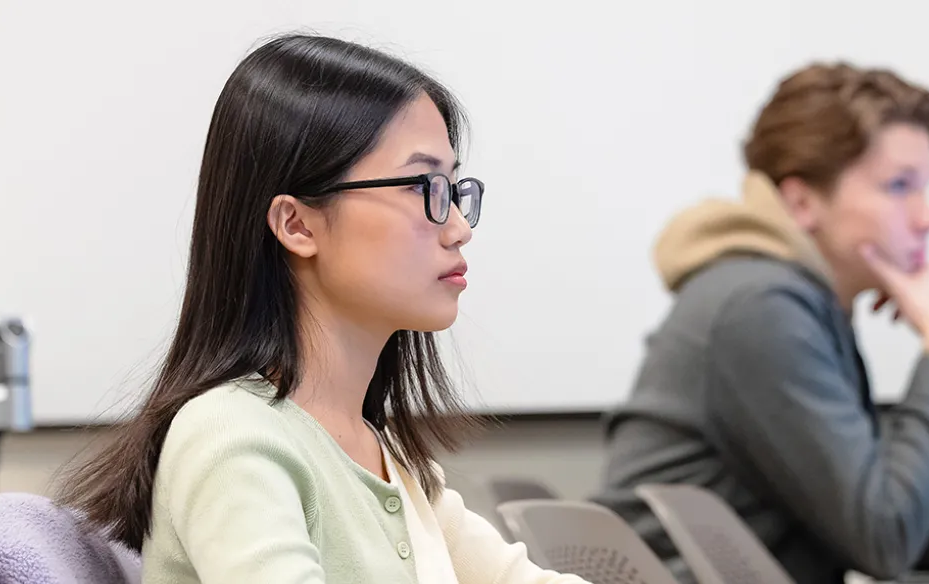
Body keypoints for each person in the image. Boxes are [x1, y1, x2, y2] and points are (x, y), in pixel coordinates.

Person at [58, 35, 583, 584]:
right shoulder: (231, 437)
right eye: (425, 186)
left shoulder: (388, 456)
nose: (459, 227)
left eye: (454, 188)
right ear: (297, 224)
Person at [591, 63, 929, 584]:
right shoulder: (761, 308)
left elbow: (834, 509)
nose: (928, 217)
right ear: (802, 201)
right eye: (900, 186)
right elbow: (882, 537)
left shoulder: (780, 295)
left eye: (925, 187)